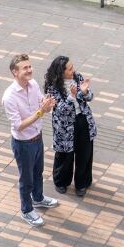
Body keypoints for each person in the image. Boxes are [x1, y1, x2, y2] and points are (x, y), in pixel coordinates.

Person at [2, 53, 60, 225]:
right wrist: (41, 112)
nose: (29, 70)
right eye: (25, 68)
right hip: (23, 144)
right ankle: (26, 210)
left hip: (37, 138)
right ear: (15, 72)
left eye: (29, 66)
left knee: (38, 172)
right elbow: (18, 125)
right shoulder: (9, 97)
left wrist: (47, 105)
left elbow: (42, 105)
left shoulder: (33, 84)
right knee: (26, 179)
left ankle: (38, 198)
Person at [43, 55, 97, 198]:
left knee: (85, 152)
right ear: (61, 71)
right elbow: (60, 109)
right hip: (64, 125)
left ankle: (82, 183)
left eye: (73, 67)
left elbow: (89, 97)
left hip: (82, 119)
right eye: (69, 69)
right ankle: (61, 181)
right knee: (65, 154)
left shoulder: (78, 77)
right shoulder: (52, 87)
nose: (73, 70)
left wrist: (85, 92)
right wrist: (71, 97)